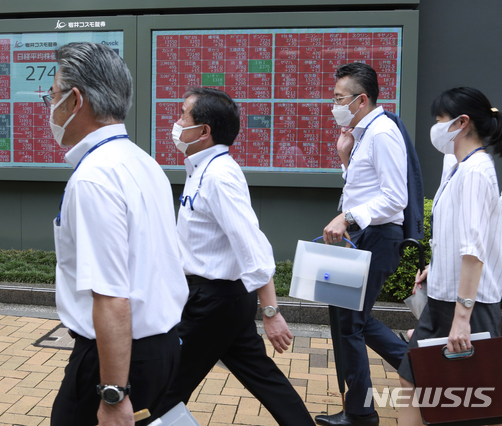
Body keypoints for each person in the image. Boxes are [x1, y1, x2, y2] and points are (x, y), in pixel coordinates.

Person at [152, 87, 314, 426]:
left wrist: (271, 311)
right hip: (217, 300)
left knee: (163, 391)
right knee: (263, 378)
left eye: (183, 115)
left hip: (213, 303)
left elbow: (251, 245)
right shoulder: (200, 168)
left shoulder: (220, 176)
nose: (176, 122)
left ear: (204, 131)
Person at [48, 42, 188, 426]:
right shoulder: (143, 162)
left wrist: (113, 394)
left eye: (53, 95)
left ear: (76, 100)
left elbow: (110, 295)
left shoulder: (94, 177)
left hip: (115, 361)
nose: (50, 105)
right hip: (159, 349)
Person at [397, 87, 502, 425]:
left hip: (467, 306)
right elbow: (458, 236)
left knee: (487, 405)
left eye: (439, 121)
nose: (436, 128)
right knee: (414, 377)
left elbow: (474, 249)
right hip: (445, 299)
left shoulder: (476, 171)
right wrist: (436, 266)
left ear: (461, 123)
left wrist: (462, 318)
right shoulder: (461, 169)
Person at [318, 62, 409, 426]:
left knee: (351, 321)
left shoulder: (382, 132)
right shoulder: (362, 133)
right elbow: (365, 186)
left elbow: (394, 197)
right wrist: (345, 158)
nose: (334, 105)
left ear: (362, 99)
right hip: (363, 237)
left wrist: (347, 218)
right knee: (349, 317)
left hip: (377, 237)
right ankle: (415, 370)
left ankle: (362, 413)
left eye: (339, 98)